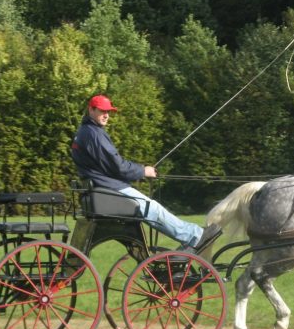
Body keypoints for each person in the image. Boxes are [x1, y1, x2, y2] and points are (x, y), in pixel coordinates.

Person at [70, 94, 220, 252]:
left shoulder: (85, 131)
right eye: (102, 111)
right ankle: (194, 236)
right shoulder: (94, 134)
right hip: (109, 188)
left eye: (109, 111)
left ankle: (190, 237)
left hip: (102, 187)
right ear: (91, 110)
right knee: (152, 208)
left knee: (152, 207)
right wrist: (143, 170)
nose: (106, 115)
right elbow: (118, 167)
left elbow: (110, 165)